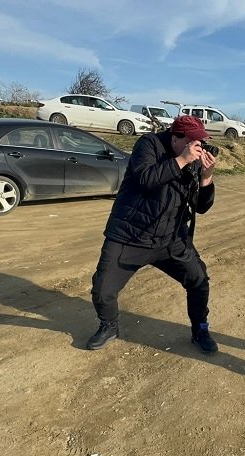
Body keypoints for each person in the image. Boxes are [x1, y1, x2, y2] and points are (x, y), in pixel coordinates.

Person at [87, 115, 219, 354]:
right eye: (193, 141)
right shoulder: (149, 145)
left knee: (199, 282)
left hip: (170, 238)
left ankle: (200, 329)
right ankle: (109, 326)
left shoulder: (194, 159)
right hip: (130, 234)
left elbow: (201, 207)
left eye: (200, 142)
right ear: (176, 138)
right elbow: (146, 179)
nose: (198, 147)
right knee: (103, 290)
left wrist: (206, 177)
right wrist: (181, 160)